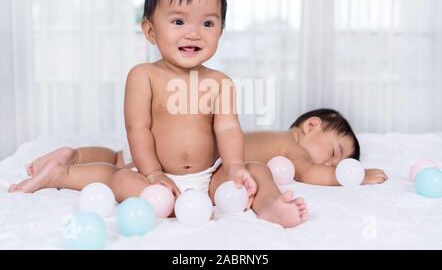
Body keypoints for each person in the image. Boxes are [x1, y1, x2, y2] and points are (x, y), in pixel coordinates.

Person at [8, 0, 308, 228]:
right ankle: (59, 174)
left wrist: (234, 167)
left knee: (257, 169)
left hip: (208, 175)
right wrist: (152, 173)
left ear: (221, 31)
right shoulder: (144, 76)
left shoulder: (220, 82)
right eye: (178, 22)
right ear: (150, 31)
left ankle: (270, 206)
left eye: (207, 23)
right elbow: (138, 129)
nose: (193, 33)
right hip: (152, 171)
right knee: (119, 179)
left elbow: (228, 129)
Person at [9, 108, 388, 227]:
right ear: (311, 126)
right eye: (336, 152)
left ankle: (69, 161)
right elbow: (310, 174)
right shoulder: (295, 150)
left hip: (159, 154)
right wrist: (353, 177)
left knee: (114, 162)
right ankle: (270, 205)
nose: (331, 162)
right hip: (208, 171)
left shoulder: (281, 139)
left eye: (339, 163)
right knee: (258, 170)